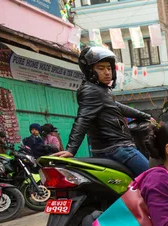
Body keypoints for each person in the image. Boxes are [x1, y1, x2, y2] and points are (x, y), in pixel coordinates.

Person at [53, 47, 154, 177]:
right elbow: (83, 119)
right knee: (154, 178)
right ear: (90, 71)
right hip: (118, 148)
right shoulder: (91, 90)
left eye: (109, 68)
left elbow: (118, 107)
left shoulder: (100, 90)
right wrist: (71, 150)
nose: (107, 72)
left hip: (113, 148)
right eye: (101, 68)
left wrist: (147, 116)